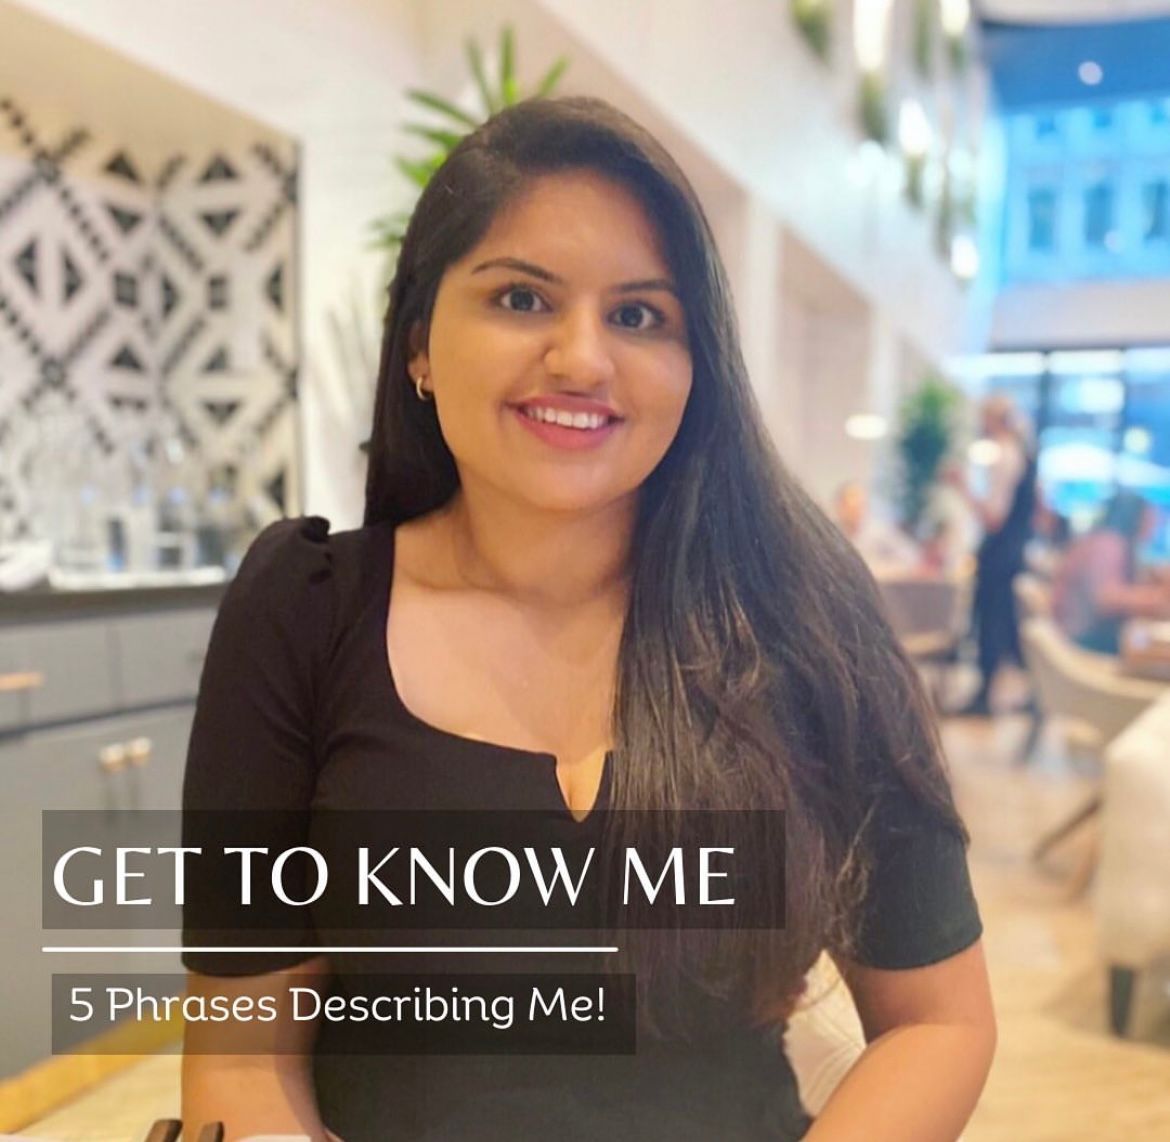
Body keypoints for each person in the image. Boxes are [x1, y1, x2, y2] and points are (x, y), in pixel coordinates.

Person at [181, 97, 995, 1141]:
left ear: (697, 368)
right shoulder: (305, 612)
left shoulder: (802, 614)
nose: (580, 359)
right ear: (421, 345)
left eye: (639, 314)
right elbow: (243, 1064)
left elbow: (938, 1019)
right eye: (521, 297)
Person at [948, 395, 1037, 717]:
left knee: (990, 623)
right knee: (1005, 624)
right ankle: (1032, 693)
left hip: (998, 554)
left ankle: (985, 697)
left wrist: (962, 486)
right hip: (1011, 554)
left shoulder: (1004, 455)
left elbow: (993, 518)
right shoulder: (1023, 456)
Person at [1051, 490, 1170, 654]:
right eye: (1150, 518)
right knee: (1148, 649)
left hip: (1073, 637)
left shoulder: (1101, 539)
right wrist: (1158, 598)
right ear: (1134, 516)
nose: (1155, 525)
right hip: (1081, 642)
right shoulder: (1108, 544)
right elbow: (1107, 599)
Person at [831, 480, 922, 574]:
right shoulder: (831, 534)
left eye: (860, 506)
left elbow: (911, 556)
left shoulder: (879, 531)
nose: (857, 512)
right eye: (851, 507)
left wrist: (883, 569)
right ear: (839, 507)